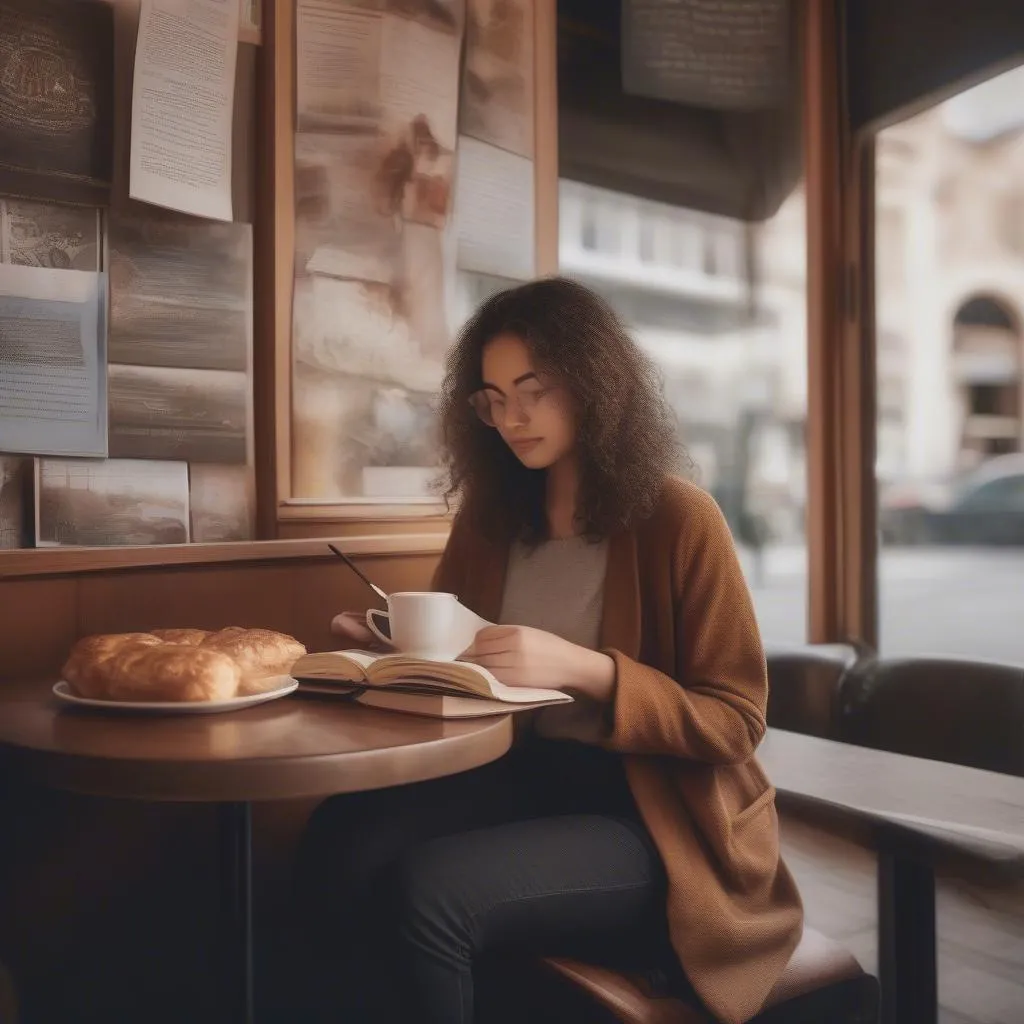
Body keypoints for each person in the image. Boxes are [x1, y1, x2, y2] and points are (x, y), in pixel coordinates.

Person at [296, 277, 802, 1024]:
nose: (511, 417)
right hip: (523, 777)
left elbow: (736, 719)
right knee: (341, 836)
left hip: (653, 818)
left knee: (430, 889)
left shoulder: (678, 518)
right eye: (493, 397)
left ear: (594, 383)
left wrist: (589, 672)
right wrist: (396, 647)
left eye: (533, 389)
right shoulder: (491, 520)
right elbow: (469, 661)